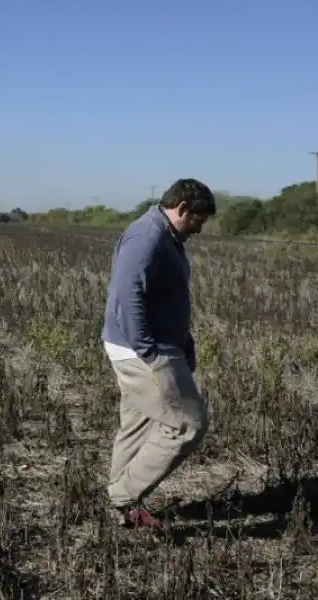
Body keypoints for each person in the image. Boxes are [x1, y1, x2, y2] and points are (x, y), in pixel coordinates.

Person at [101, 178, 217, 528]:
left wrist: (184, 340)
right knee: (187, 424)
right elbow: (128, 294)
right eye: (198, 220)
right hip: (143, 350)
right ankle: (122, 495)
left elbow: (165, 297)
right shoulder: (147, 235)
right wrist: (149, 352)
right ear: (182, 207)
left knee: (136, 425)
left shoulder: (164, 234)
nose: (199, 229)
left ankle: (121, 507)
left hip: (148, 346)